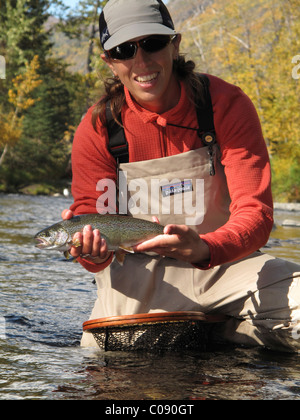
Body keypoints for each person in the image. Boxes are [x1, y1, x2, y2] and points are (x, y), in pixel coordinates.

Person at [62, 0, 300, 352]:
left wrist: (204, 246)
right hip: (139, 275)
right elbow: (90, 225)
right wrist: (93, 254)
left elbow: (257, 214)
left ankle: (227, 330)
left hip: (228, 263)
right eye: (125, 50)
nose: (141, 62)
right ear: (109, 61)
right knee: (101, 354)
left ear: (174, 45)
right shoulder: (97, 129)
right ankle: (232, 333)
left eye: (153, 44)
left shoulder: (225, 104)